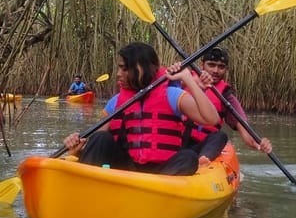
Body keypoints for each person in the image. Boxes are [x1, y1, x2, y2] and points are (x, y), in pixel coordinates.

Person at [63, 42, 220, 175]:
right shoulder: (116, 102)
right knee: (101, 138)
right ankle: (86, 188)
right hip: (128, 168)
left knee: (188, 157)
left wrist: (188, 79)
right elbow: (95, 143)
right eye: (119, 68)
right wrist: (76, 147)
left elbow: (211, 119)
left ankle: (159, 199)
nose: (118, 74)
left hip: (163, 171)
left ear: (143, 68)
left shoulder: (172, 95)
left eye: (125, 69)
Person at [185, 45, 273, 162]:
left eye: (221, 67)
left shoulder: (226, 96)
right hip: (179, 140)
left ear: (226, 69)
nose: (215, 71)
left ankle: (204, 160)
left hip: (203, 146)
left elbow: (244, 129)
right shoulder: (184, 80)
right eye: (211, 65)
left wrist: (258, 145)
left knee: (221, 136)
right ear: (202, 65)